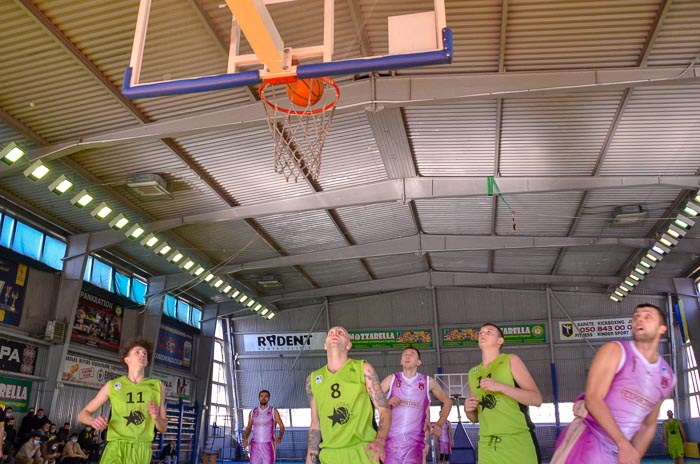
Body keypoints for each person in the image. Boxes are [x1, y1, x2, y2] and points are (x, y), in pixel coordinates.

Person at [551, 303, 675, 464]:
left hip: (618, 451)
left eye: (647, 316)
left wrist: (633, 454)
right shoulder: (615, 350)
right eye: (636, 316)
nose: (640, 320)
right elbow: (593, 399)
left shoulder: (667, 377)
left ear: (662, 328)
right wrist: (623, 444)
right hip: (589, 440)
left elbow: (648, 424)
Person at [305, 326, 391, 464]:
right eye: (331, 333)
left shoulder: (362, 368)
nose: (335, 333)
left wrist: (380, 440)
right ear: (325, 345)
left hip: (362, 452)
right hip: (330, 455)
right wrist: (310, 460)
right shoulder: (313, 380)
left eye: (341, 333)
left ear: (348, 345)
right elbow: (316, 425)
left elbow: (384, 410)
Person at [78, 336, 167, 464]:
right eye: (137, 352)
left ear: (147, 361)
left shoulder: (158, 386)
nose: (142, 355)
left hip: (141, 447)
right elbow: (82, 415)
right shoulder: (112, 385)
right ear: (127, 359)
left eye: (145, 353)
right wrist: (93, 421)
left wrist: (155, 417)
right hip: (116, 446)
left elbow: (163, 427)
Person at [464, 323, 543, 464]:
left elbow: (536, 399)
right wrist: (468, 410)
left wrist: (501, 387)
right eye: (481, 332)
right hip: (487, 444)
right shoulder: (473, 373)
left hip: (516, 440)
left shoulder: (510, 360)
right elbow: (475, 418)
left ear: (500, 341)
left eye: (489, 332)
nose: (483, 334)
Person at [380, 346, 452, 464]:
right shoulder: (391, 379)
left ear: (418, 362)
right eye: (405, 354)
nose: (407, 356)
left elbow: (448, 402)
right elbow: (371, 399)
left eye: (412, 354)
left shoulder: (428, 382)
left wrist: (439, 423)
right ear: (401, 361)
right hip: (391, 443)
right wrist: (386, 402)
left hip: (415, 444)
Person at [242, 390, 284, 464]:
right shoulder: (253, 412)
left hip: (269, 445)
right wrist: (245, 438)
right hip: (255, 446)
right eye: (261, 396)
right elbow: (248, 427)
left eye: (266, 396)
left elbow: (282, 426)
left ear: (269, 398)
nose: (263, 398)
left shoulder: (273, 411)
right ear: (259, 398)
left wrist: (280, 437)